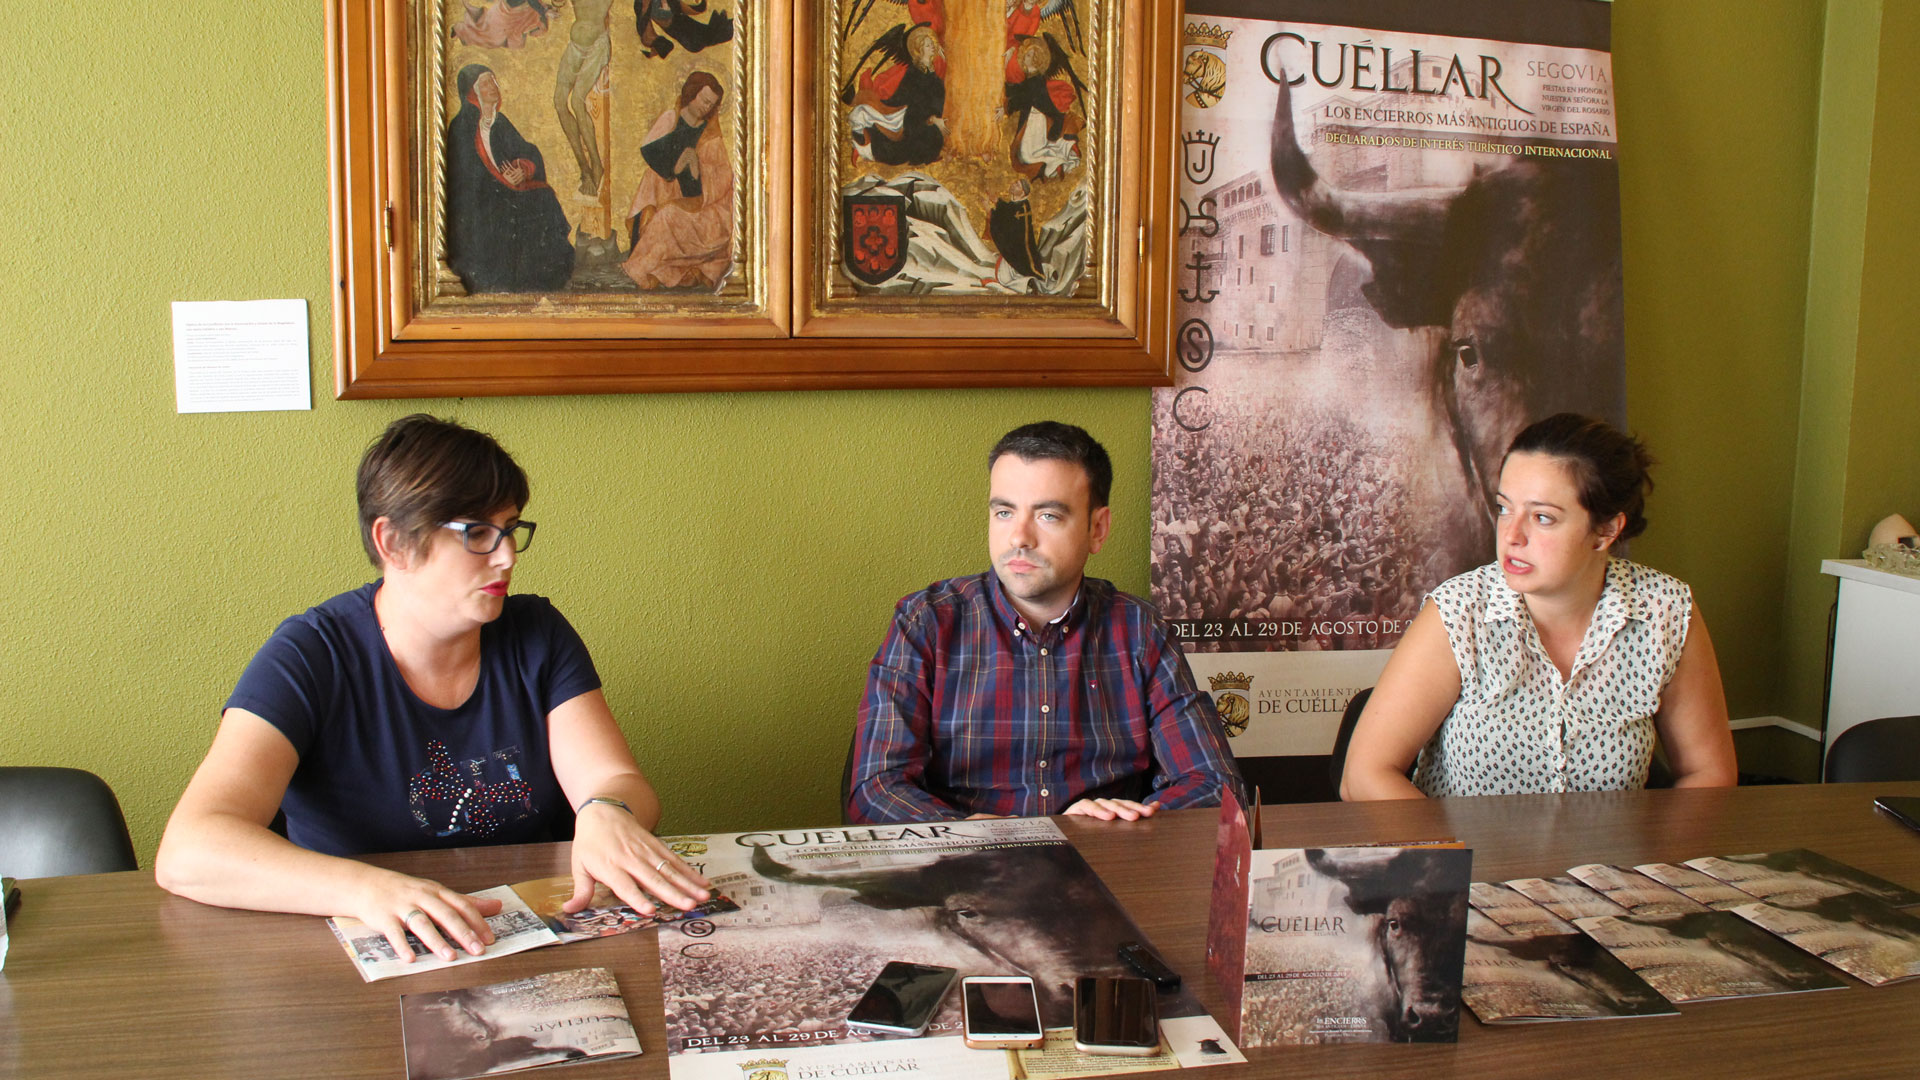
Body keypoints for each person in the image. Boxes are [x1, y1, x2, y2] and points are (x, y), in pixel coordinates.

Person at [156, 415, 710, 963]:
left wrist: (606, 810)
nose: (506, 556)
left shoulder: (537, 634)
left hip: (528, 943)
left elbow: (616, 781)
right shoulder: (309, 655)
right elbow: (189, 850)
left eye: (510, 528)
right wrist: (369, 890)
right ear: (394, 542)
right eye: (476, 534)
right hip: (370, 951)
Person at [848, 421, 1244, 823]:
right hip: (965, 871)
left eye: (1048, 516)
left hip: (1104, 868)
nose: (1019, 537)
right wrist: (965, 833)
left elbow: (1216, 786)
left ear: (1097, 529)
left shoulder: (1140, 630)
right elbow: (875, 790)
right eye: (1004, 512)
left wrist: (1126, 822)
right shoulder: (926, 623)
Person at [1339, 413, 1737, 800]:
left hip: (1608, 862)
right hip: (1472, 861)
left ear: (1605, 530)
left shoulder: (1664, 611)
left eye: (1543, 517)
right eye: (1504, 507)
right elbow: (1363, 776)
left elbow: (1709, 774)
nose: (1511, 535)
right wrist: (1452, 858)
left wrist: (1648, 860)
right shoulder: (1461, 611)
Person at [444, 64, 576, 293]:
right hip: (479, 203)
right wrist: (498, 180)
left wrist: (523, 169)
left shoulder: (499, 122)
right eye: (485, 83)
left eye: (493, 81)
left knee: (544, 198)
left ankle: (544, 278)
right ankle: (504, 280)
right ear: (472, 93)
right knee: (508, 211)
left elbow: (527, 150)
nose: (492, 87)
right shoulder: (460, 128)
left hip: (505, 192)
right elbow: (464, 178)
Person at [623, 71, 734, 290]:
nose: (706, 107)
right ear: (691, 95)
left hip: (703, 206)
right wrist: (677, 165)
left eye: (711, 104)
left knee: (668, 215)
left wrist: (697, 168)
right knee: (653, 182)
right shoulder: (670, 120)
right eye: (704, 100)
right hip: (670, 194)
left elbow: (722, 182)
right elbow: (652, 154)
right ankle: (651, 264)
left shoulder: (710, 136)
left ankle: (645, 268)